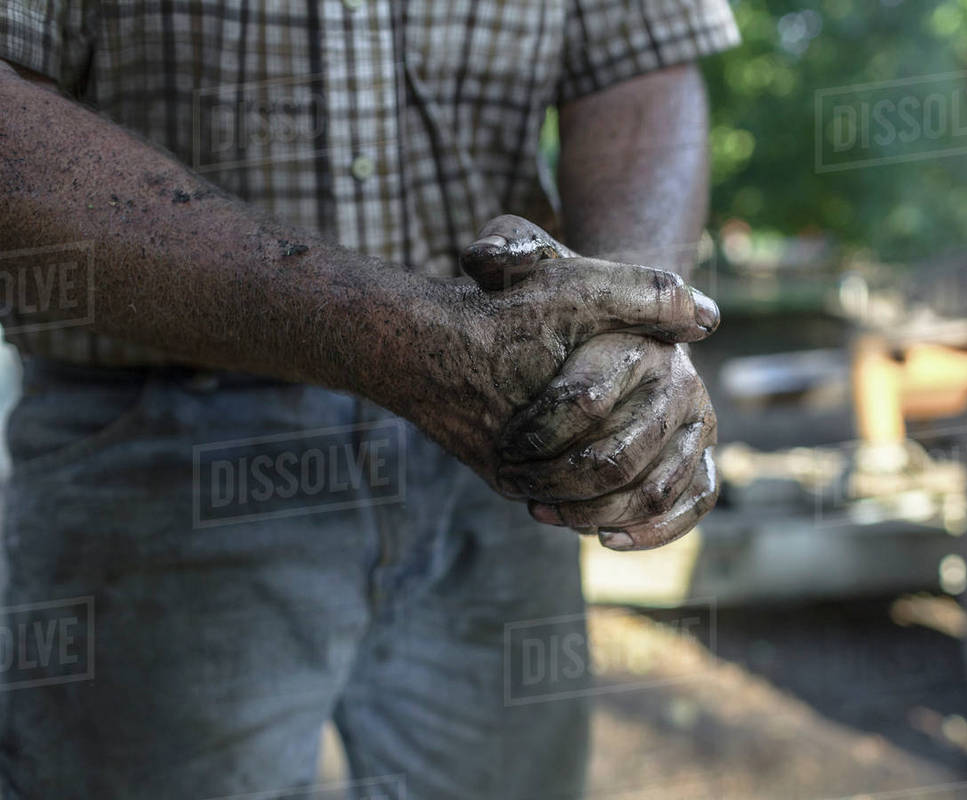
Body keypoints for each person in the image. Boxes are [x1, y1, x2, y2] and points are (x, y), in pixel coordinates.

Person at [0, 0, 739, 796]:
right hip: (153, 437)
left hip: (508, 438)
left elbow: (640, 67)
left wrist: (621, 324)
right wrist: (403, 341)